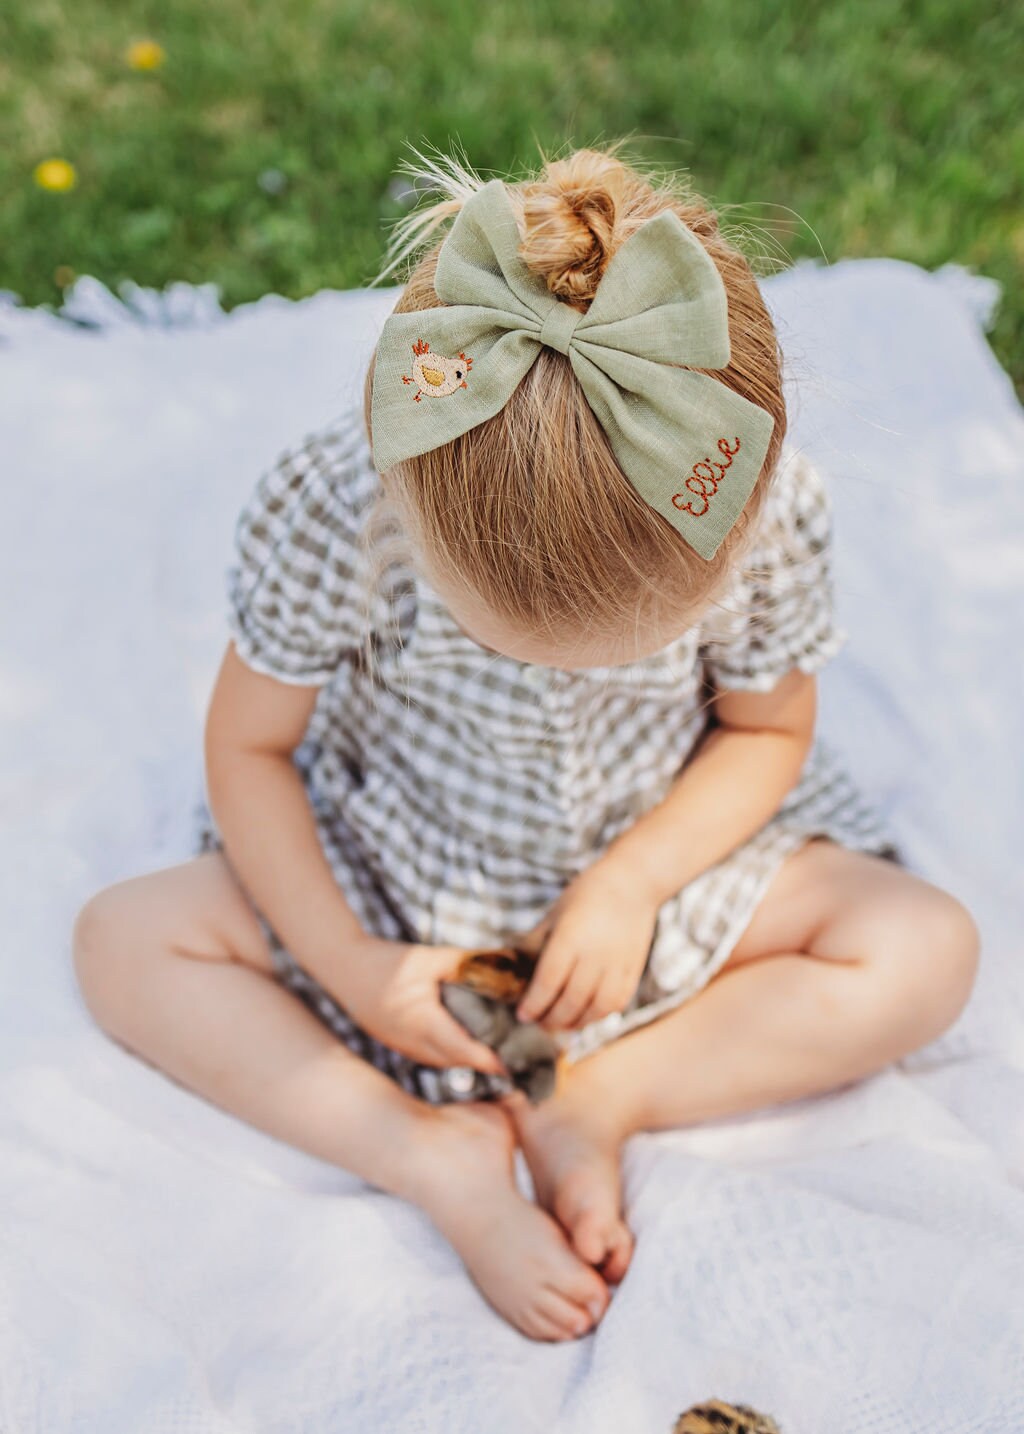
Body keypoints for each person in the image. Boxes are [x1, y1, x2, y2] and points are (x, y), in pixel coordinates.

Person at [71, 143, 980, 1344]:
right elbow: (247, 753)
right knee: (122, 944)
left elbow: (767, 729)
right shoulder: (337, 506)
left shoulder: (753, 499)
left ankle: (593, 1100)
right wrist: (348, 964)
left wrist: (631, 884)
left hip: (655, 862)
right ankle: (426, 1151)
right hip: (401, 870)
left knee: (923, 948)